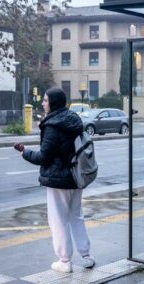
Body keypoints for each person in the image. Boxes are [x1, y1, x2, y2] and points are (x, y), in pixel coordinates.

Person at [13, 87, 95, 273]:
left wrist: (24, 152)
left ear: (54, 103)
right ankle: (86, 255)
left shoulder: (53, 125)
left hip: (59, 181)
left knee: (58, 220)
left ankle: (64, 261)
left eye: (45, 100)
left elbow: (44, 157)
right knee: (76, 216)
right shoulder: (73, 120)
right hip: (76, 177)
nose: (43, 103)